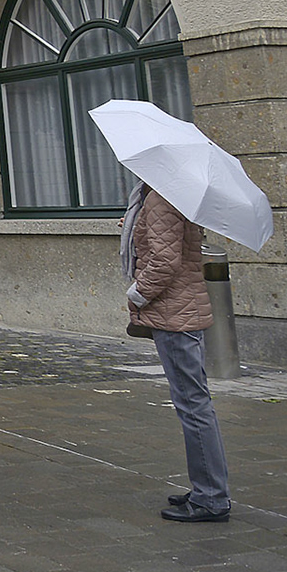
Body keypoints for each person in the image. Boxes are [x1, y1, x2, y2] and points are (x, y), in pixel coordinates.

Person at [124, 181, 231, 522]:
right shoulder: (170, 194)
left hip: (175, 314)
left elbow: (165, 261)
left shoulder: (161, 198)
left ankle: (211, 497)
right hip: (180, 311)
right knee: (194, 403)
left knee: (193, 405)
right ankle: (207, 487)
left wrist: (137, 293)